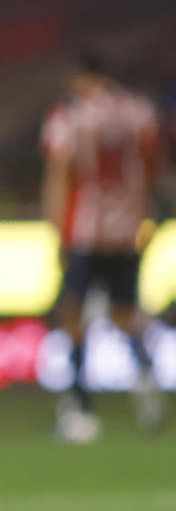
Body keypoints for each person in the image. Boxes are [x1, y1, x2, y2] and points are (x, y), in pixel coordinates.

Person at [41, 54, 164, 444]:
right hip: (128, 227)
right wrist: (147, 217)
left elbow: (60, 173)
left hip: (83, 230)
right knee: (126, 315)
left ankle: (80, 409)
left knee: (73, 316)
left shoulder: (70, 115)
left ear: (81, 76)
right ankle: (146, 382)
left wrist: (55, 230)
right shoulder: (139, 111)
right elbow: (152, 169)